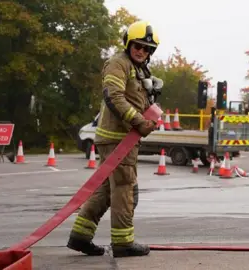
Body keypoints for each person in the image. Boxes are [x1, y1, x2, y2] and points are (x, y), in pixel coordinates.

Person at [66, 20, 161, 258]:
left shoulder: (138, 68)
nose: (142, 51)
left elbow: (137, 99)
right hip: (118, 139)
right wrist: (139, 122)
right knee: (125, 189)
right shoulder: (118, 63)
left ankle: (80, 236)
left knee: (107, 190)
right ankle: (123, 243)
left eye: (147, 49)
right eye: (137, 46)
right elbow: (114, 97)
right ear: (128, 43)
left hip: (123, 138)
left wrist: (152, 101)